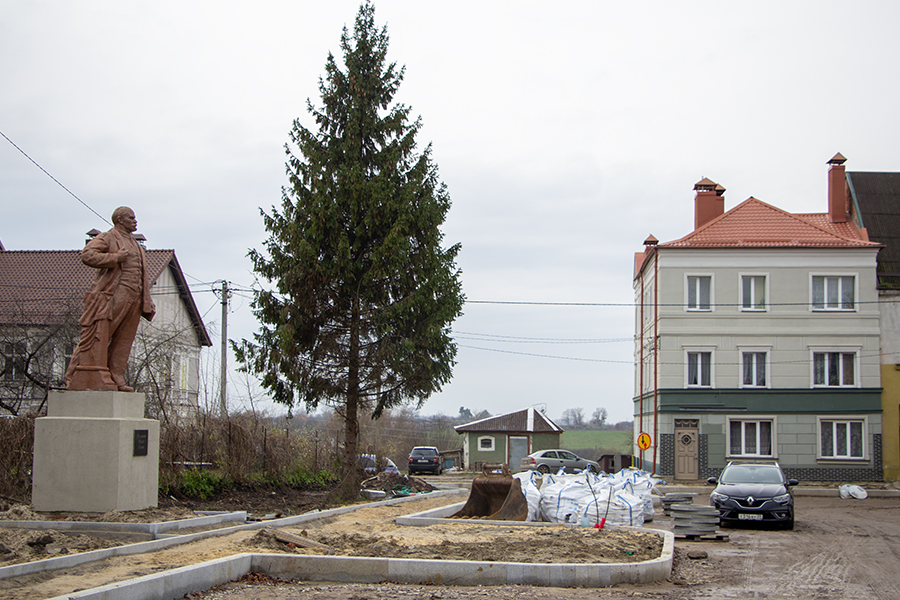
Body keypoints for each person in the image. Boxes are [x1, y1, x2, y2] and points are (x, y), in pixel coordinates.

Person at [65, 206, 156, 392]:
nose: (135, 221)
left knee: (124, 338)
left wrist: (146, 299)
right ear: (120, 219)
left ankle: (116, 377)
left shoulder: (135, 243)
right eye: (131, 218)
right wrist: (115, 258)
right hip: (116, 291)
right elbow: (87, 255)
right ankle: (74, 375)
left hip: (135, 295)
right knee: (98, 334)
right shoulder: (108, 237)